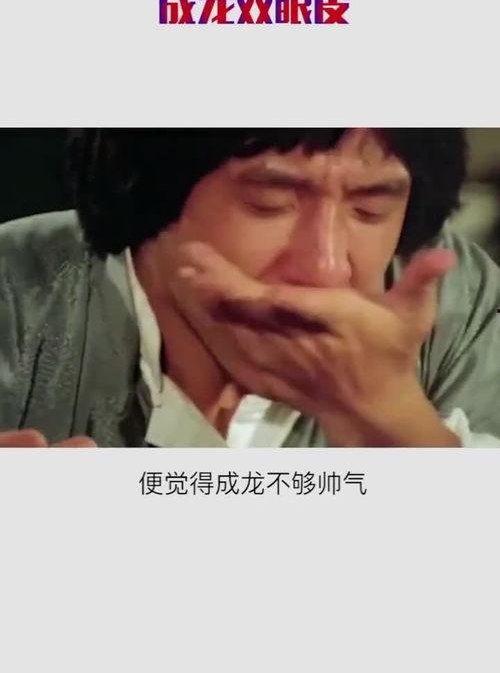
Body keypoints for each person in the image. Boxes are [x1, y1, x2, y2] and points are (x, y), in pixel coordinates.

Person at [0, 128, 499, 448]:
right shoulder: (18, 293)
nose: (326, 269)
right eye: (270, 203)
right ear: (148, 189)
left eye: (370, 210)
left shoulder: (457, 301)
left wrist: (391, 416)